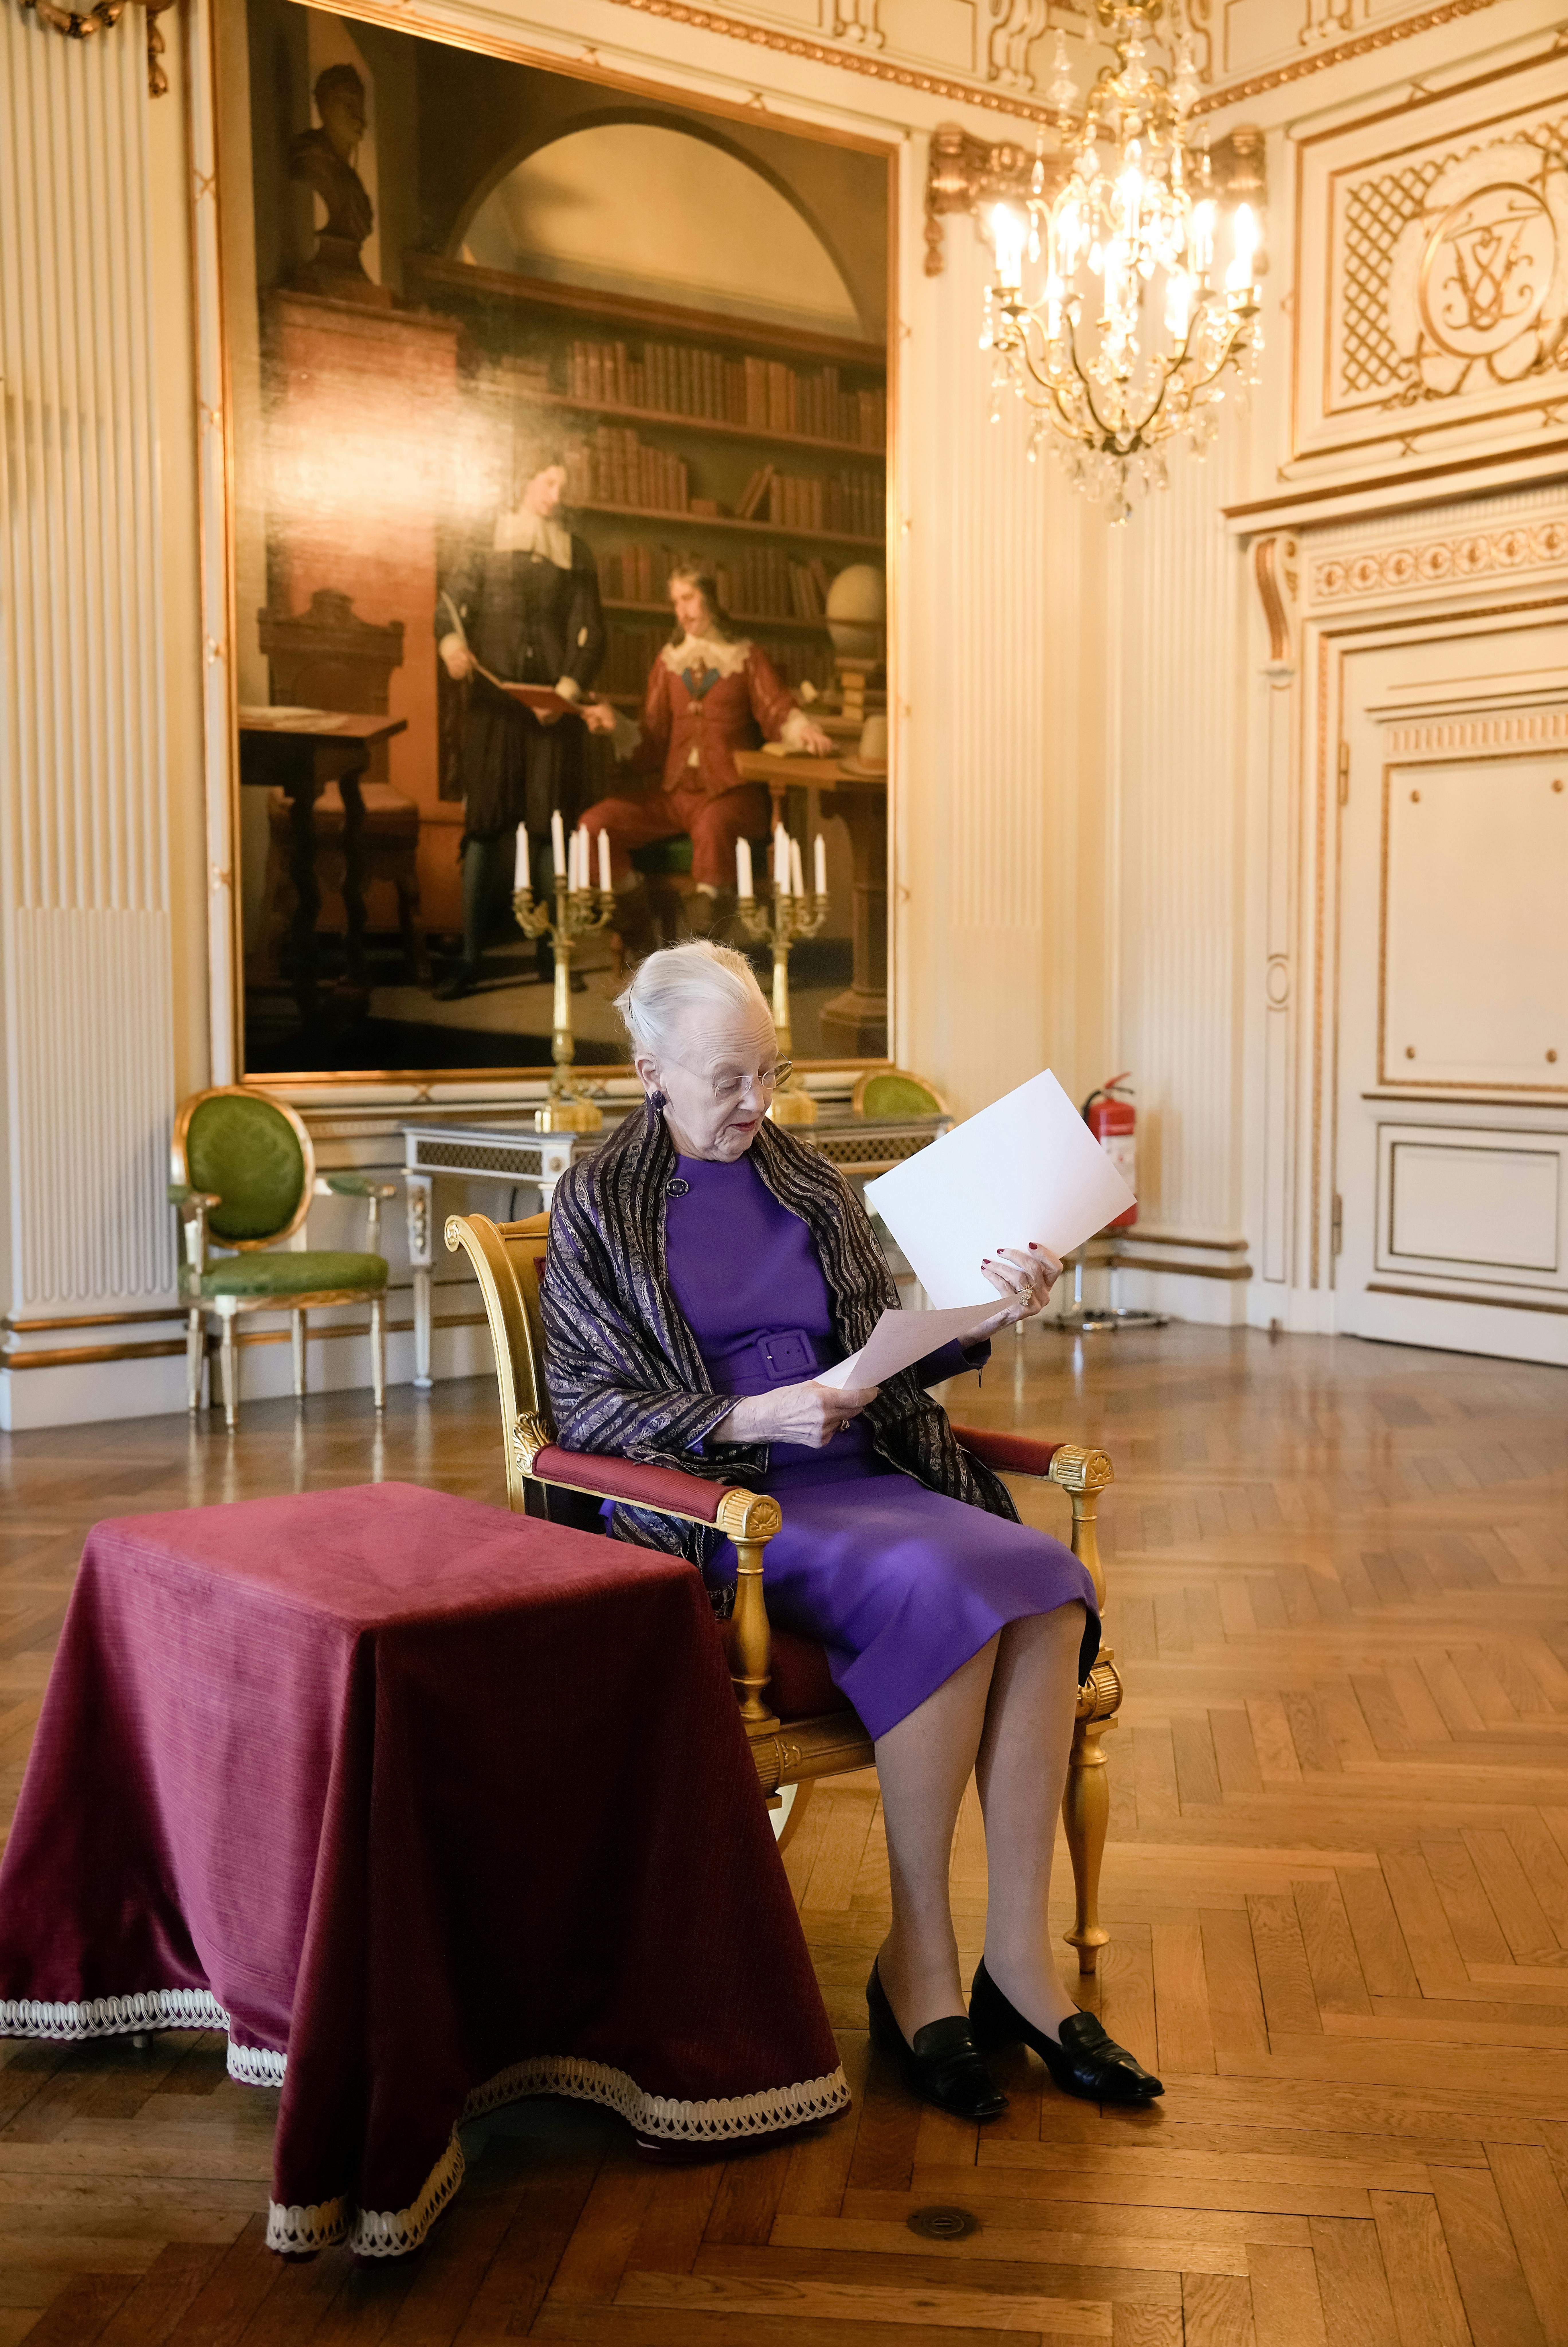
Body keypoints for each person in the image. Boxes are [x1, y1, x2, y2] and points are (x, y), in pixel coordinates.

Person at [538, 942, 1162, 2118]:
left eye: (766, 1070)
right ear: (648, 1070)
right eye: (725, 1077)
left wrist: (990, 1304)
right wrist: (742, 1410)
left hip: (863, 1469)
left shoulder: (806, 1180)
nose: (753, 1102)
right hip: (732, 1507)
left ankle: (1019, 1967)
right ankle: (917, 1965)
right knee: (954, 1581)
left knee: (1043, 1575)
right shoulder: (598, 1201)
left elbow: (890, 1343)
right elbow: (584, 1405)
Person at [580, 565, 832, 954]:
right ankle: (642, 940)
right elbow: (649, 745)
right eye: (675, 603)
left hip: (730, 796)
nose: (682, 611)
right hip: (675, 796)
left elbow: (777, 710)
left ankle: (703, 958)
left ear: (710, 599)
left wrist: (805, 732)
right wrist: (616, 726)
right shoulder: (668, 663)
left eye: (689, 598)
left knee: (712, 828)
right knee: (593, 826)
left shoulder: (745, 657)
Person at [436, 452, 607, 999]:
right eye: (548, 481)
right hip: (493, 701)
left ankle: (550, 952)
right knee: (484, 821)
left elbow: (592, 632)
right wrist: (452, 646)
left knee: (548, 822)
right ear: (526, 478)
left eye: (564, 486)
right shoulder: (487, 534)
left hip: (552, 710)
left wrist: (565, 694)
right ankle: (469, 958)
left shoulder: (576, 553)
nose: (555, 495)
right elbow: (449, 606)